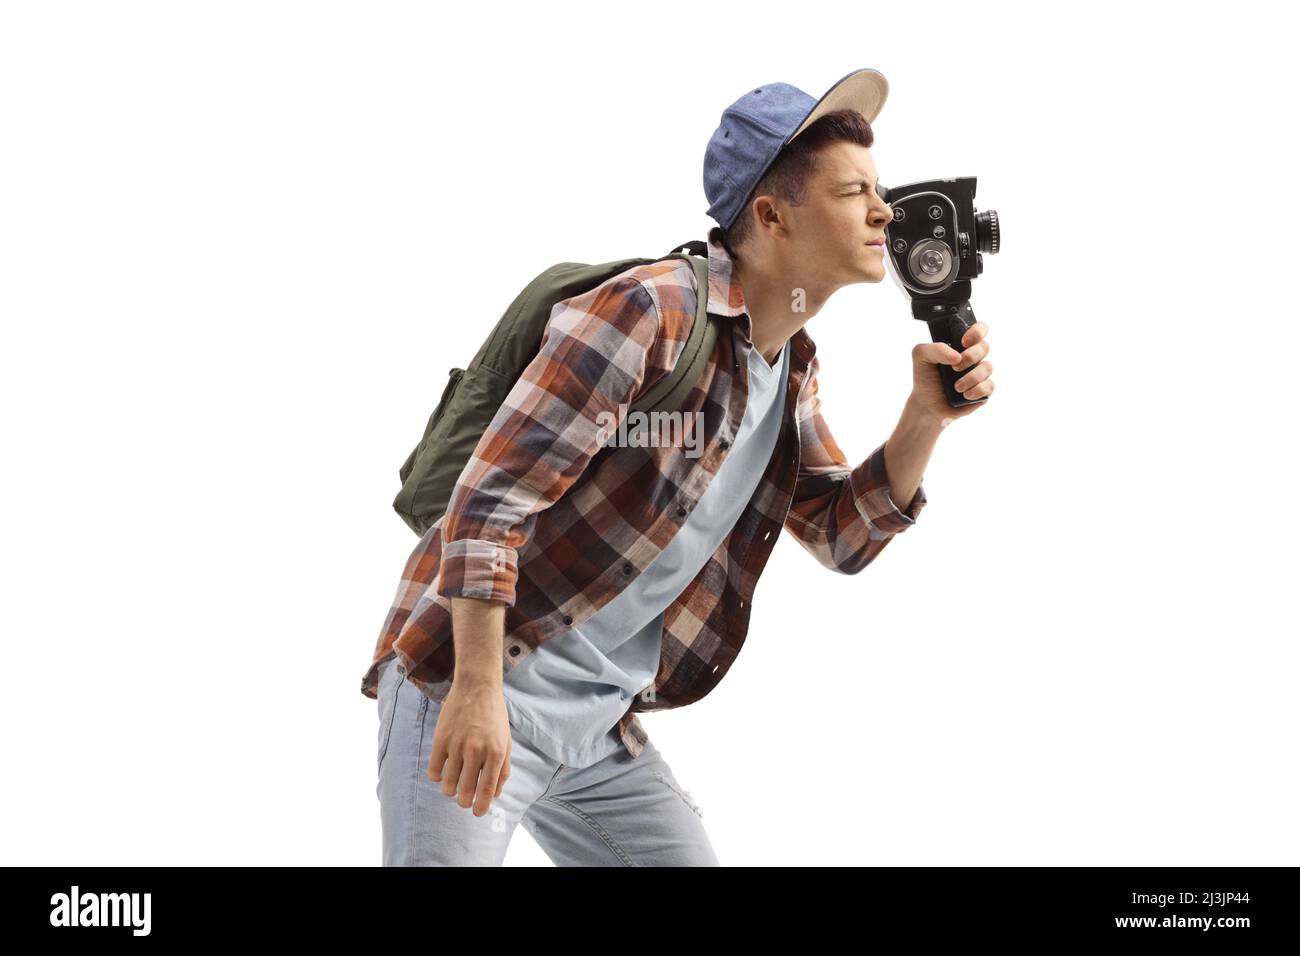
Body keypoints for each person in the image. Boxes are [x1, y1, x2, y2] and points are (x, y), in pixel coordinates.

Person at [363, 67, 995, 866]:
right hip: (473, 678)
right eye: (853, 193)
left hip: (594, 728)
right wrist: (477, 692)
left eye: (881, 188)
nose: (885, 212)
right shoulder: (650, 311)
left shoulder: (788, 363)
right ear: (771, 216)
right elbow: (489, 501)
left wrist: (925, 417)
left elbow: (842, 536)